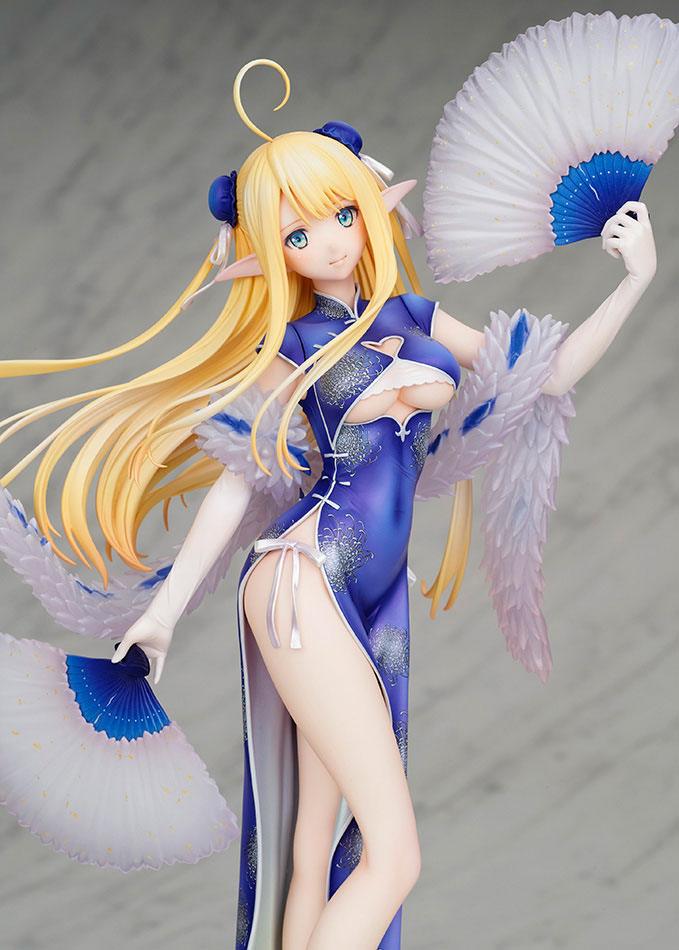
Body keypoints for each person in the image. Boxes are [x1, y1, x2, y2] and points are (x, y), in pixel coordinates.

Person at [0, 59, 657, 950]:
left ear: (369, 206)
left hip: (369, 594)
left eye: (343, 214)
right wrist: (160, 615)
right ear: (273, 254)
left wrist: (632, 281)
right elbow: (241, 475)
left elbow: (544, 378)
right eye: (300, 232)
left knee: (313, 846)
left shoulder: (412, 315)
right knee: (392, 857)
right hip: (304, 582)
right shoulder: (289, 342)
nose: (333, 242)